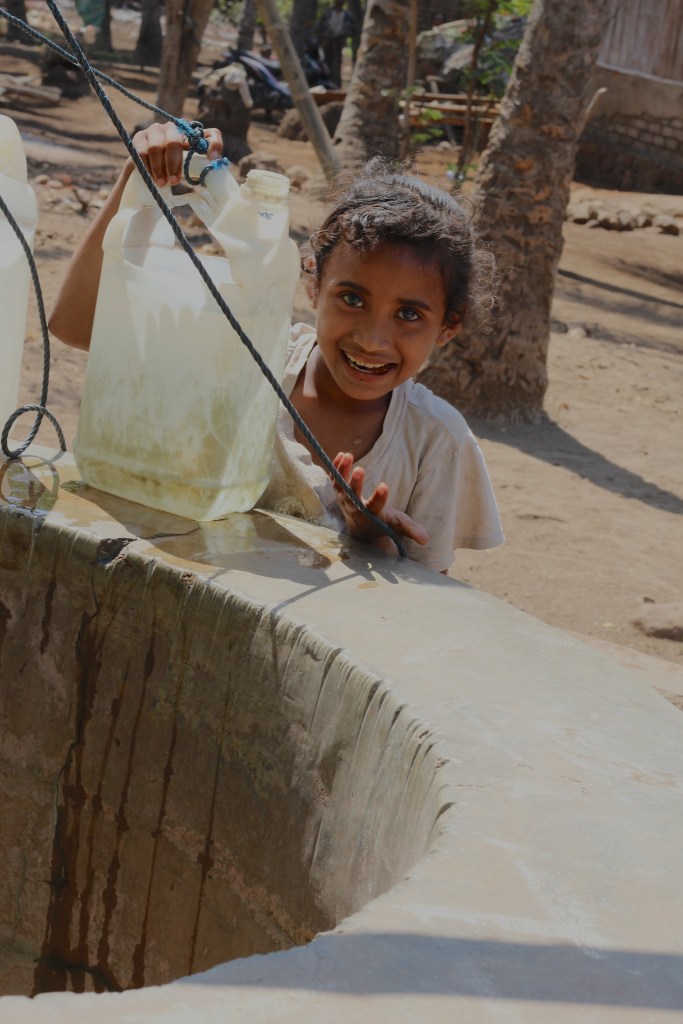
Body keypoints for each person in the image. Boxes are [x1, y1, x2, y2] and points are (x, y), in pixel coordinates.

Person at [49, 122, 504, 574]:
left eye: (408, 314)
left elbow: (423, 609)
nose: (371, 339)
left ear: (449, 324)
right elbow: (74, 326)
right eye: (352, 299)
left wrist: (372, 541)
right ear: (312, 284)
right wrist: (137, 173)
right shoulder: (250, 350)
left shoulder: (436, 441)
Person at [316, 0, 357, 88]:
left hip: (339, 41)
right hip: (327, 40)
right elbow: (319, 27)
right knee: (325, 61)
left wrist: (345, 33)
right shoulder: (327, 13)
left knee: (337, 63)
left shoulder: (347, 15)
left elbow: (354, 29)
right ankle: (324, 82)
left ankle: (336, 83)